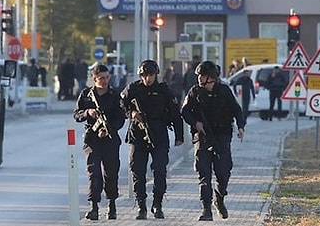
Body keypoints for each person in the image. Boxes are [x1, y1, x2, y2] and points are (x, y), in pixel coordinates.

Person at [181, 61, 245, 221]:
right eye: (199, 76)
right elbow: (185, 111)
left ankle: (219, 199)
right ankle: (206, 209)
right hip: (202, 137)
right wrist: (196, 123)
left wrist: (241, 126)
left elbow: (237, 110)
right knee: (204, 173)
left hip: (222, 135)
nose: (199, 79)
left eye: (202, 76)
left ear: (211, 78)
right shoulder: (194, 92)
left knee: (223, 172)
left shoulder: (224, 91)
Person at [120, 60, 184, 220]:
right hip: (137, 134)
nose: (148, 78)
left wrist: (179, 136)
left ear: (156, 75)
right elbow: (120, 104)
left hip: (159, 134)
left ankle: (158, 204)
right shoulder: (133, 89)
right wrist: (131, 113)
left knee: (160, 170)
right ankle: (141, 205)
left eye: (151, 75)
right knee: (137, 170)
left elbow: (176, 113)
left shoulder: (164, 91)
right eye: (144, 75)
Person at [74, 64, 126, 220]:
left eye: (106, 77)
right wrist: (87, 112)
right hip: (92, 140)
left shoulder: (115, 95)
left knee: (111, 173)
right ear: (94, 79)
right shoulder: (86, 95)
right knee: (94, 173)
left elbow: (120, 118)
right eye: (101, 78)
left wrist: (109, 129)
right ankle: (94, 207)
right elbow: (76, 115)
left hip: (109, 139)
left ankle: (112, 206)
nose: (104, 81)